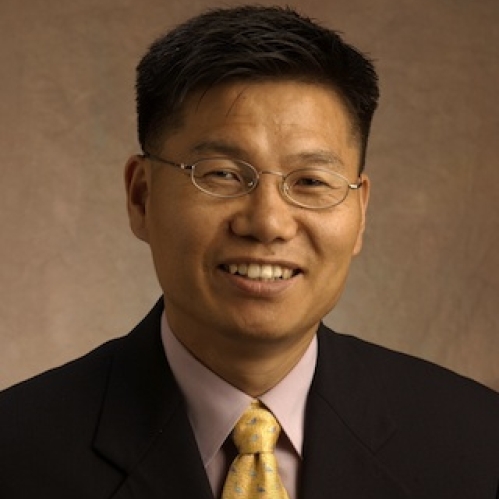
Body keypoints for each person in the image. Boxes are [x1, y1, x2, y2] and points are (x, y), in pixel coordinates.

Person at [0, 5, 498, 499]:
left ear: (360, 211)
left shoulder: (477, 443)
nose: (268, 223)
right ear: (142, 196)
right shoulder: (17, 451)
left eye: (310, 181)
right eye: (222, 174)